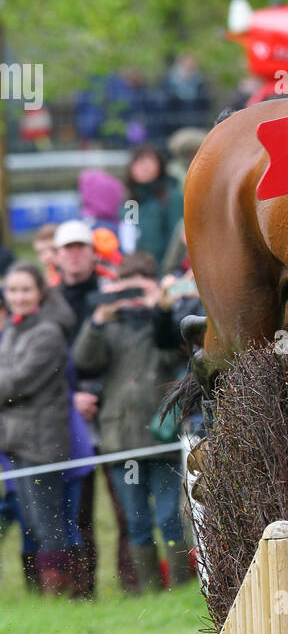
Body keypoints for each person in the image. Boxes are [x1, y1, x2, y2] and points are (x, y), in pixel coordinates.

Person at [72, 252, 191, 590]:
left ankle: (180, 587)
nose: (133, 298)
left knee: (169, 519)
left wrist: (160, 311)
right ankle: (150, 592)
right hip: (121, 440)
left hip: (160, 437)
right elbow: (84, 361)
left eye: (140, 290)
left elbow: (173, 352)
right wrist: (97, 321)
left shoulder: (162, 322)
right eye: (128, 290)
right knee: (136, 521)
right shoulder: (108, 324)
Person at [54, 220, 136, 595]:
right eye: (67, 248)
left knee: (125, 507)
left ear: (92, 251)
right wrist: (70, 398)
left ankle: (136, 588)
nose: (74, 254)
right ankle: (81, 592)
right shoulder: (47, 302)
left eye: (81, 247)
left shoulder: (111, 292)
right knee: (78, 512)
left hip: (113, 408)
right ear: (56, 256)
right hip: (68, 417)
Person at [0, 264, 75, 592]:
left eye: (25, 290)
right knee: (31, 521)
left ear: (40, 294)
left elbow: (17, 383)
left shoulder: (47, 332)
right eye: (13, 290)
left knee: (48, 523)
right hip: (16, 440)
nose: (18, 297)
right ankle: (45, 594)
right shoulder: (14, 330)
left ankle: (63, 592)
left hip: (42, 442)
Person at [124, 146, 184, 273]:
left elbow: (175, 240)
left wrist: (166, 274)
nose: (144, 167)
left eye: (149, 160)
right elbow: (128, 239)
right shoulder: (131, 202)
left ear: (160, 165)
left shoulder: (171, 197)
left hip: (164, 273)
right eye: (139, 161)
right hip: (135, 275)